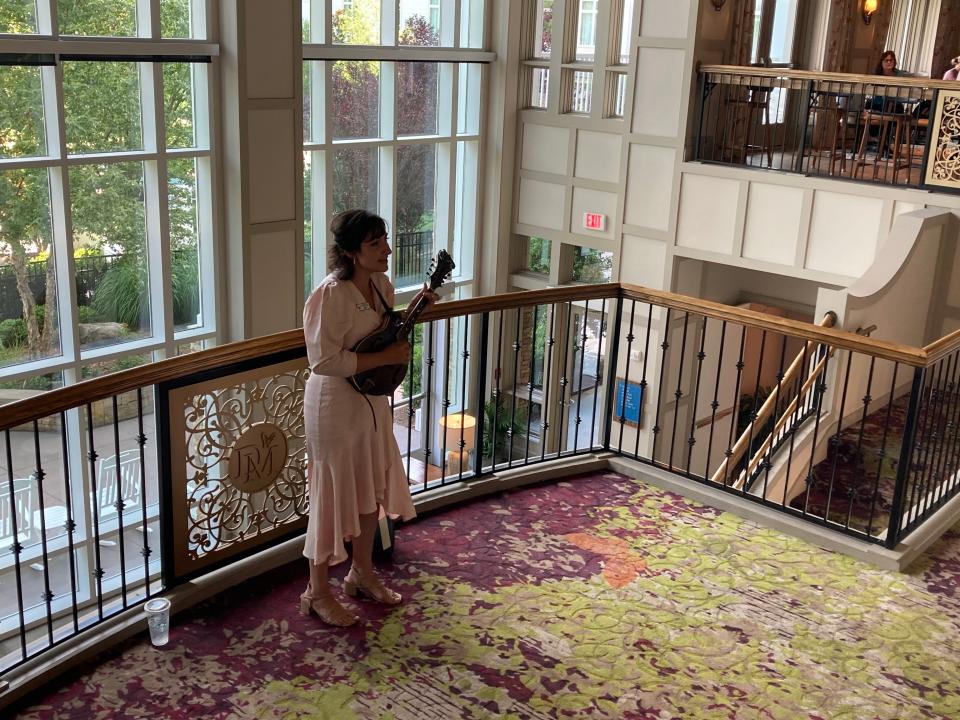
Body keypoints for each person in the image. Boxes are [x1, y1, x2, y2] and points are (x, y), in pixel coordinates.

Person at [300, 208, 438, 626]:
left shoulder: (381, 286)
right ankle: (317, 591)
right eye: (376, 244)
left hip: (371, 400)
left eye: (385, 240)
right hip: (333, 405)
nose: (388, 250)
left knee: (368, 486)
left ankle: (361, 574)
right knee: (330, 494)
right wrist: (383, 356)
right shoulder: (330, 295)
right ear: (350, 252)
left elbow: (383, 338)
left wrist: (413, 314)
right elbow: (323, 359)